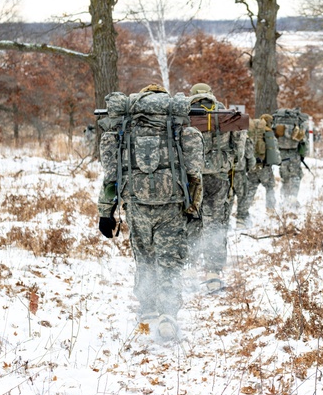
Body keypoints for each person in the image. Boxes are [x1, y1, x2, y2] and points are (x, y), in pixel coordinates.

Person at [96, 85, 203, 343]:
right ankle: (168, 316)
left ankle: (147, 310)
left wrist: (105, 212)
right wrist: (194, 207)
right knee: (170, 261)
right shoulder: (179, 128)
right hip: (172, 205)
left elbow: (111, 175)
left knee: (144, 258)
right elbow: (194, 172)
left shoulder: (124, 129)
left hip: (136, 204)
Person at [187, 83, 246, 293]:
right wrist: (232, 163)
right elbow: (239, 146)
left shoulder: (184, 114)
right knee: (216, 224)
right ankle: (213, 273)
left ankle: (190, 269)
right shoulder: (226, 114)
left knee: (192, 222)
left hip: (192, 179)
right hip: (220, 177)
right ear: (211, 95)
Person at [236, 113, 281, 228]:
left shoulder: (251, 130)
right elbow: (274, 151)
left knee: (250, 191)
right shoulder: (268, 133)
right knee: (270, 188)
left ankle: (241, 217)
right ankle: (271, 212)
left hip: (252, 166)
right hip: (264, 167)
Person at [271, 106, 310, 208]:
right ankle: (292, 198)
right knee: (295, 176)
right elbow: (304, 141)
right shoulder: (299, 121)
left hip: (281, 153)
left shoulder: (277, 120)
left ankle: (284, 200)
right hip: (294, 153)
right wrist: (303, 154)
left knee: (285, 177)